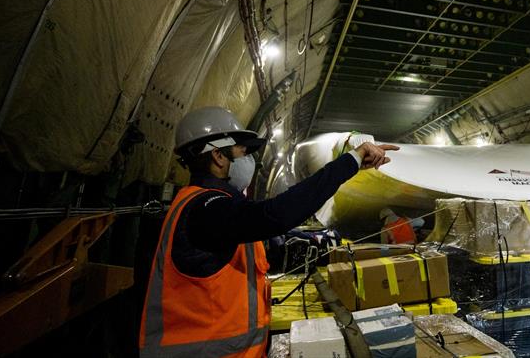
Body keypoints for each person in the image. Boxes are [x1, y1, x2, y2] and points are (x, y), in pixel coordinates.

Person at [138, 106, 398, 357]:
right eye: (242, 152)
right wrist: (349, 162)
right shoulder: (205, 210)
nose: (250, 162)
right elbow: (274, 215)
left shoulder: (207, 207)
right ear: (218, 156)